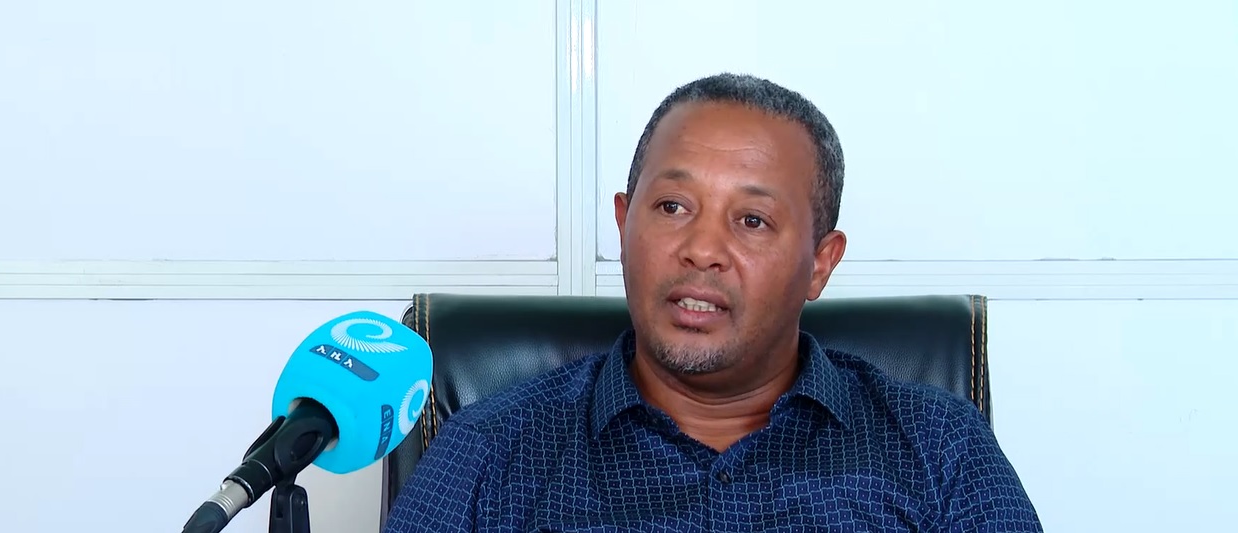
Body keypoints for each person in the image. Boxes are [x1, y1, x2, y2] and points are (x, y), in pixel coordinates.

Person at [381, 73, 1042, 532]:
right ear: (624, 224)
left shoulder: (938, 448)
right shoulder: (488, 452)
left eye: (752, 220)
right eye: (673, 207)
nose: (702, 249)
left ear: (820, 263)